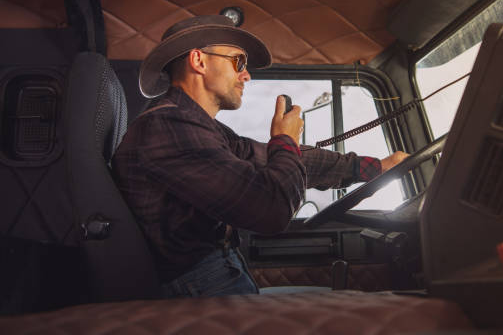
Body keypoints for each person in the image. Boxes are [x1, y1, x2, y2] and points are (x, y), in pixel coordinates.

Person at [112, 15, 408, 298]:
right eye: (238, 61)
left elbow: (269, 158)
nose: (247, 74)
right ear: (199, 61)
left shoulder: (199, 127)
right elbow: (272, 210)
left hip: (216, 273)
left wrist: (375, 168)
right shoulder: (167, 128)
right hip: (198, 286)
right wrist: (285, 139)